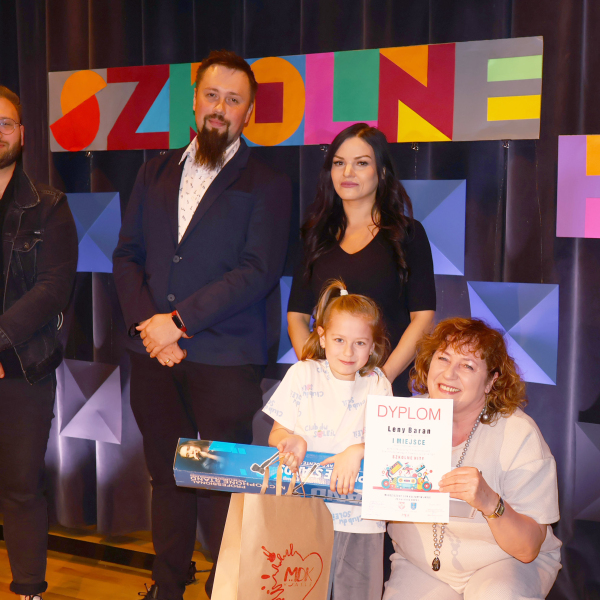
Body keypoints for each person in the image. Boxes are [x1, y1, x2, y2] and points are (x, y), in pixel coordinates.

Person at [112, 50, 292, 600]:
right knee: (165, 478)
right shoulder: (153, 171)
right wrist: (151, 329)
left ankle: (225, 589)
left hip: (226, 360)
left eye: (233, 100)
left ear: (249, 113)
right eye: (211, 95)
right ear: (194, 100)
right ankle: (167, 586)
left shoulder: (268, 181)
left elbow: (258, 271)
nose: (220, 108)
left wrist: (179, 323)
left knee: (221, 487)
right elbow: (127, 256)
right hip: (154, 356)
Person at [384, 317, 562, 600]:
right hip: (422, 565)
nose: (449, 374)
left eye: (467, 365)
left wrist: (490, 502)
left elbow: (527, 549)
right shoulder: (397, 419)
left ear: (491, 381)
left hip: (504, 562)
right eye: (443, 358)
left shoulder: (519, 434)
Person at [263, 279, 393, 600]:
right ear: (322, 336)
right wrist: (292, 441)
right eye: (339, 340)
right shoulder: (302, 373)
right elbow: (277, 434)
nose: (348, 352)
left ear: (373, 345)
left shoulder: (377, 383)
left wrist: (358, 450)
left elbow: (391, 449)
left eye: (360, 343)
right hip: (303, 512)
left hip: (362, 519)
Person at [287, 123, 436, 397]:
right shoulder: (315, 235)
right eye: (339, 163)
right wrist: (316, 375)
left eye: (361, 163)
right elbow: (297, 316)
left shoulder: (407, 234)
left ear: (382, 171)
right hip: (326, 393)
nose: (347, 172)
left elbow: (423, 317)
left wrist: (381, 379)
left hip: (385, 390)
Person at [0, 86, 78, 600]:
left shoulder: (49, 205)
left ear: (22, 134)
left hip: (22, 368)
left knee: (21, 487)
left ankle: (28, 590)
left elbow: (54, 288)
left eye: (5, 123)